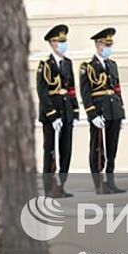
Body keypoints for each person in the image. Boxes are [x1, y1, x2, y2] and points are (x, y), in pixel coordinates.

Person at [80, 28, 126, 194]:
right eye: (106, 44)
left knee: (112, 148)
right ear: (98, 45)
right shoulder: (87, 67)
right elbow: (85, 93)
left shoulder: (112, 65)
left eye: (110, 44)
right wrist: (92, 114)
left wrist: (122, 112)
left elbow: (117, 89)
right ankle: (99, 184)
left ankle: (110, 181)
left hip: (114, 110)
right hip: (99, 111)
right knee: (98, 148)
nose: (108, 48)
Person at [37, 24, 79, 198]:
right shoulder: (45, 65)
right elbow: (43, 91)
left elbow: (71, 89)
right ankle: (49, 188)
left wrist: (75, 111)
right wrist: (52, 115)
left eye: (64, 41)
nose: (63, 44)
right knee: (50, 150)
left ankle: (61, 185)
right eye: (59, 41)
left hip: (66, 110)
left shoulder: (67, 63)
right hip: (51, 113)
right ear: (52, 43)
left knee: (66, 150)